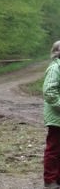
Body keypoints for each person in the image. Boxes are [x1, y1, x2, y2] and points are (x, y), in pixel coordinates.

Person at [43, 40, 60, 189]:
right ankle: (50, 180)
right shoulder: (55, 68)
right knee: (54, 149)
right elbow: (49, 92)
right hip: (57, 117)